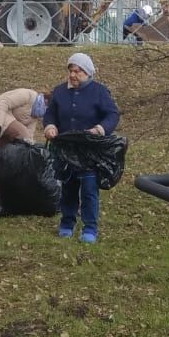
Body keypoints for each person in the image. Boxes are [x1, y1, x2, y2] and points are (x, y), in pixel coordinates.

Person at [43, 52, 120, 243]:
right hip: (66, 150)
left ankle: (90, 229)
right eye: (71, 70)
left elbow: (112, 114)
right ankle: (67, 224)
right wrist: (50, 126)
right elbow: (50, 114)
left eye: (77, 71)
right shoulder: (59, 92)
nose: (73, 75)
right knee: (68, 187)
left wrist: (100, 129)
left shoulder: (100, 91)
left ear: (87, 72)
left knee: (89, 190)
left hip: (89, 151)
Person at [0, 88, 51, 161]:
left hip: (7, 124)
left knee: (23, 142)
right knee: (23, 134)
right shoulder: (28, 95)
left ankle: (1, 165)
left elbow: (30, 135)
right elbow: (4, 103)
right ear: (46, 101)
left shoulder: (35, 115)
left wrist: (32, 150)